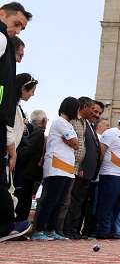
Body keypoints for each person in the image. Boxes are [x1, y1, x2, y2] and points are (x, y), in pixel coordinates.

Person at [0, 2, 32, 242]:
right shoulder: (1, 39)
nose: (18, 29)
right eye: (17, 24)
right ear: (2, 15)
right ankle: (4, 226)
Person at [31, 97, 79, 241]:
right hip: (57, 165)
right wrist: (72, 142)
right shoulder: (60, 122)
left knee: (60, 200)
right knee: (50, 199)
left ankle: (51, 229)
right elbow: (74, 142)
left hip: (67, 167)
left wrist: (72, 143)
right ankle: (38, 230)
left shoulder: (68, 124)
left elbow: (75, 144)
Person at [59, 96, 94, 237]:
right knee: (67, 199)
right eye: (92, 108)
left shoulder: (84, 122)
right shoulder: (72, 120)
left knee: (74, 201)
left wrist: (80, 167)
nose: (93, 112)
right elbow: (67, 140)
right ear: (84, 107)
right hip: (67, 164)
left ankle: (72, 230)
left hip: (77, 167)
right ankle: (64, 230)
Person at [14, 109, 46, 223]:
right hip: (26, 173)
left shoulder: (29, 129)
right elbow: (27, 150)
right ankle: (18, 226)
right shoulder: (38, 131)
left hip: (22, 172)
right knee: (23, 202)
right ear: (44, 120)